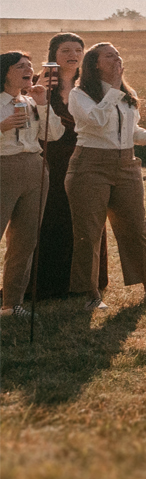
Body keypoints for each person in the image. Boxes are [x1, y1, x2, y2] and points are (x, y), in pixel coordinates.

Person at [63, 40, 146, 309]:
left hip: (126, 163)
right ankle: (91, 295)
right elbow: (95, 121)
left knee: (135, 227)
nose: (116, 59)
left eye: (118, 55)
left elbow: (131, 131)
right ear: (94, 65)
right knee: (89, 232)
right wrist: (114, 91)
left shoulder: (127, 95)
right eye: (109, 56)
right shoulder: (79, 95)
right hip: (90, 165)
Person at [28, 31, 100, 302]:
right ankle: (47, 282)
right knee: (50, 216)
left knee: (83, 218)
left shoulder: (91, 86)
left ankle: (84, 282)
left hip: (85, 157)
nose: (73, 56)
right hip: (50, 159)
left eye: (78, 51)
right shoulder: (39, 84)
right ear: (53, 56)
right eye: (65, 51)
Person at [1, 53, 49, 320]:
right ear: (5, 73)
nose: (29, 70)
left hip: (34, 168)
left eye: (30, 66)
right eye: (20, 66)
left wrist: (42, 106)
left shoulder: (31, 102)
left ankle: (12, 304)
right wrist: (1, 127)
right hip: (2, 167)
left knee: (25, 240)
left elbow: (53, 135)